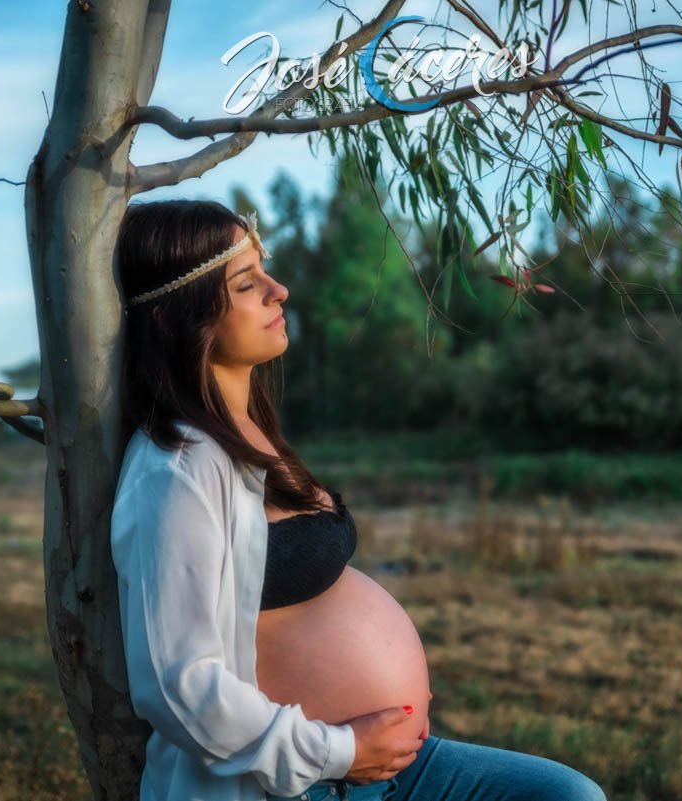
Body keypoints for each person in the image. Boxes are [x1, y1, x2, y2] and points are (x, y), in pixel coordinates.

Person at [110, 199, 608, 801]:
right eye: (247, 284)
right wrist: (342, 751)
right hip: (297, 783)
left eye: (265, 269)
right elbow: (179, 686)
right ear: (173, 319)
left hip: (388, 770)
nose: (280, 290)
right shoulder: (179, 467)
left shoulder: (249, 434)